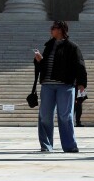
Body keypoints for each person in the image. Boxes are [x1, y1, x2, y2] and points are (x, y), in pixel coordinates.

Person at [33, 20, 87, 153]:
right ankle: (46, 145)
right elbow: (44, 66)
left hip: (65, 85)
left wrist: (81, 83)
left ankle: (69, 145)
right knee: (45, 115)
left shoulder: (72, 47)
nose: (51, 30)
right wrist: (39, 61)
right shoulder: (49, 45)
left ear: (61, 30)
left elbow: (80, 66)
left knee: (65, 115)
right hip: (47, 85)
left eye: (54, 28)